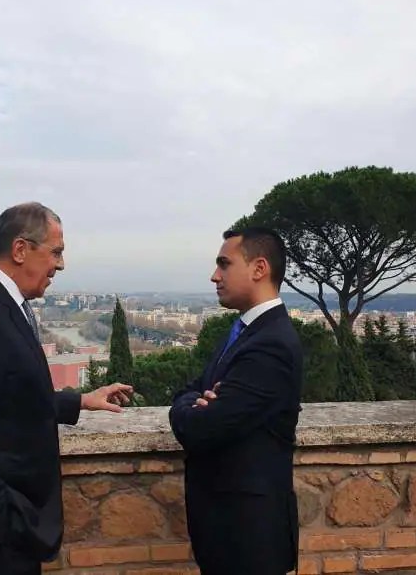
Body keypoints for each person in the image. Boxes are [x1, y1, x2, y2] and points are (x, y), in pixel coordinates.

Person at [0, 202, 133, 574]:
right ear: (20, 249)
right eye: (56, 252)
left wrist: (81, 401)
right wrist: (0, 526)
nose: (61, 265)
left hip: (3, 534)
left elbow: (8, 398)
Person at [169, 227, 304, 575]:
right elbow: (191, 389)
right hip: (229, 533)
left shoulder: (271, 344)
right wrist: (192, 401)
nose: (215, 276)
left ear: (259, 269)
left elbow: (201, 429)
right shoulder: (245, 332)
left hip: (249, 539)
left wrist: (190, 409)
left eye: (224, 264)